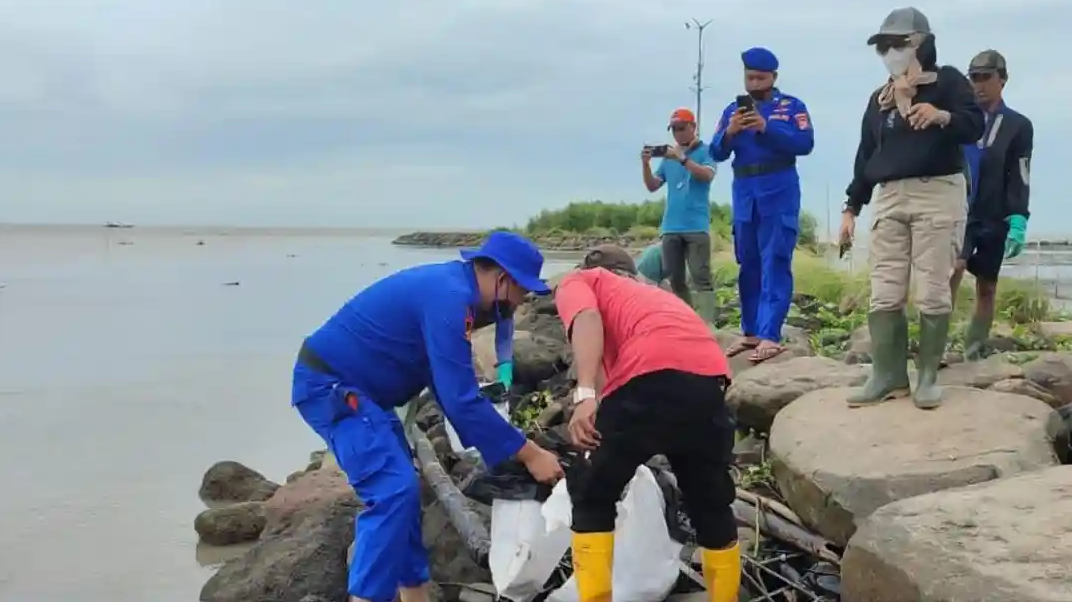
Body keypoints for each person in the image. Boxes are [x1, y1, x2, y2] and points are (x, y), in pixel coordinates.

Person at [291, 231, 565, 602]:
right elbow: (459, 398)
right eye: (521, 293)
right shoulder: (450, 298)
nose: (519, 304)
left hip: (367, 395)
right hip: (335, 389)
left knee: (404, 491)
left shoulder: (456, 292)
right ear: (503, 279)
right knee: (393, 490)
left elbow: (450, 386)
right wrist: (529, 453)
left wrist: (496, 447)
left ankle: (415, 596)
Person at [555, 244, 740, 602]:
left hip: (653, 375)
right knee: (710, 501)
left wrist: (584, 395)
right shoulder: (654, 296)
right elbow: (617, 379)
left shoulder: (583, 279)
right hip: (710, 380)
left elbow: (587, 319)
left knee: (592, 493)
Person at [839, 7, 984, 409]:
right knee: (884, 290)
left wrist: (942, 116)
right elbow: (866, 154)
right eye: (883, 46)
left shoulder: (949, 81)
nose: (890, 52)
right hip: (889, 195)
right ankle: (887, 375)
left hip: (937, 191)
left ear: (921, 42)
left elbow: (974, 126)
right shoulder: (880, 99)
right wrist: (852, 207)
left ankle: (927, 378)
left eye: (898, 44)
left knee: (933, 289)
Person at [709, 48, 814, 363]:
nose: (753, 83)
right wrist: (730, 133)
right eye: (749, 77)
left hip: (778, 189)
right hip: (744, 192)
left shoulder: (791, 107)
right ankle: (751, 331)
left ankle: (770, 334)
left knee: (775, 260)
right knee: (748, 262)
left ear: (773, 78)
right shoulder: (732, 110)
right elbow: (715, 152)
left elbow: (805, 144)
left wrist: (766, 128)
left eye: (760, 77)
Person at [951, 49, 1033, 360]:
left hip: (994, 213)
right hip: (960, 211)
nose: (979, 85)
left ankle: (974, 349)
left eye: (986, 77)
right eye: (974, 77)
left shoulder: (1018, 126)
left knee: (986, 286)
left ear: (1002, 80)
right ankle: (936, 349)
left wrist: (1018, 218)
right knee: (951, 272)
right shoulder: (960, 119)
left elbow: (1020, 173)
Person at [641, 107, 718, 323]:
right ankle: (688, 320)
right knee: (675, 278)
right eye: (674, 129)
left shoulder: (706, 151)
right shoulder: (668, 158)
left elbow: (707, 175)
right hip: (671, 226)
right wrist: (646, 164)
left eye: (681, 128)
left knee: (700, 276)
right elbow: (652, 186)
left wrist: (683, 159)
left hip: (696, 225)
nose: (677, 133)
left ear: (693, 127)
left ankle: (707, 323)